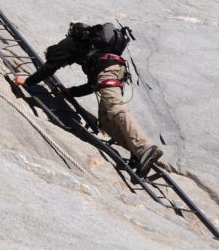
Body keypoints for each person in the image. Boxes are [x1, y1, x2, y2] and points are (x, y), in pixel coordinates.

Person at [14, 21, 163, 177]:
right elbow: (92, 85)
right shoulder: (89, 54)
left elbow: (49, 68)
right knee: (106, 122)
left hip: (108, 71)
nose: (64, 64)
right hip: (115, 69)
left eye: (63, 62)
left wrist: (28, 81)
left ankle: (145, 148)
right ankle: (136, 151)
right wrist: (72, 92)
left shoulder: (65, 46)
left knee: (115, 108)